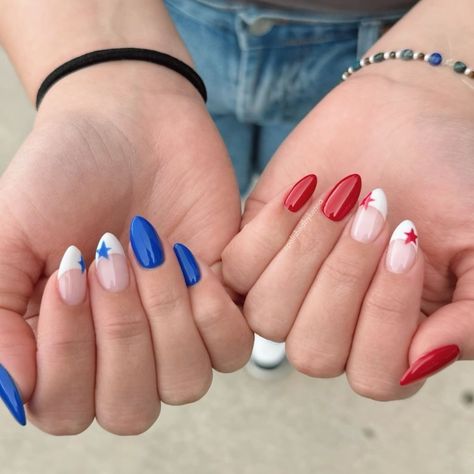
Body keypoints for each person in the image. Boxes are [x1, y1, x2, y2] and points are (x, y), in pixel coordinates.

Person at [0, 0, 472, 435]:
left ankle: (277, 299)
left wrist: (443, 63)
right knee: (209, 204)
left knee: (297, 212)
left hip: (400, 31)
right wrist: (101, 77)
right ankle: (262, 295)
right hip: (159, 26)